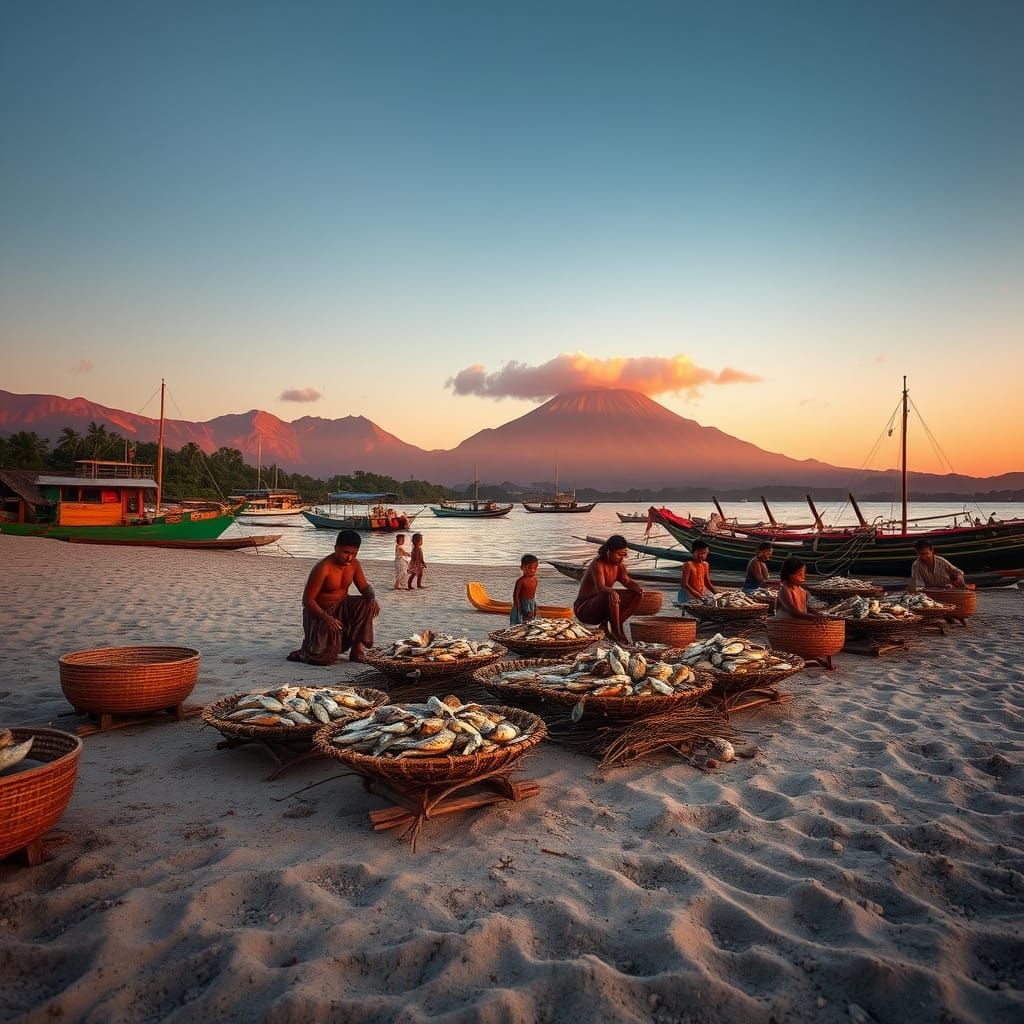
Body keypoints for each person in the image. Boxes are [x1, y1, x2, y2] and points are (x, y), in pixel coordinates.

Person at [287, 529, 380, 665]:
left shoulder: (354, 564)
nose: (349, 558)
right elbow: (307, 601)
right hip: (321, 613)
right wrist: (326, 618)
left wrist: (371, 598)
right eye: (345, 552)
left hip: (343, 607)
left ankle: (357, 650)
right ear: (336, 548)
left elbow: (365, 587)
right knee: (324, 659)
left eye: (354, 553)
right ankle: (306, 650)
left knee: (366, 603)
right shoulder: (323, 567)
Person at [573, 534, 645, 644]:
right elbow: (600, 587)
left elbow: (626, 581)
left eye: (624, 555)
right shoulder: (597, 564)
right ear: (608, 552)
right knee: (609, 594)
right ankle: (617, 633)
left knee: (636, 593)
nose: (622, 558)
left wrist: (637, 588)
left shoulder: (619, 565)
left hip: (603, 605)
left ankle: (614, 625)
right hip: (584, 609)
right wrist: (611, 591)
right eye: (619, 555)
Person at [775, 556, 827, 620]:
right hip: (786, 623)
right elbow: (793, 611)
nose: (803, 577)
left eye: (803, 574)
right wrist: (814, 617)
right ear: (789, 574)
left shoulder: (802, 591)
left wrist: (816, 613)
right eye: (799, 574)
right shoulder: (785, 589)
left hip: (799, 622)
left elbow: (804, 608)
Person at [680, 540, 717, 605]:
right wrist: (696, 594)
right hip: (690, 595)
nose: (703, 556)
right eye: (701, 553)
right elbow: (684, 584)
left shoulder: (706, 565)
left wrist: (717, 593)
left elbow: (707, 583)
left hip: (702, 594)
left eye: (705, 553)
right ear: (694, 552)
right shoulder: (688, 565)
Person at [511, 554, 539, 624]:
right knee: (521, 621)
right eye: (529, 568)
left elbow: (533, 595)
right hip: (522, 603)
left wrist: (534, 605)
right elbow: (516, 596)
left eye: (535, 568)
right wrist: (519, 608)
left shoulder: (535, 580)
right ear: (522, 568)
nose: (532, 570)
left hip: (531, 602)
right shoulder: (521, 581)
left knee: (531, 620)